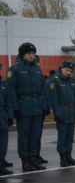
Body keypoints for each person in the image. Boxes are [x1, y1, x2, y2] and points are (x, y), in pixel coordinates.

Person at [6, 42, 49, 171]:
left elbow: (43, 90)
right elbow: (11, 90)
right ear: (22, 55)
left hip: (36, 105)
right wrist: (15, 108)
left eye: (33, 54)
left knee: (35, 134)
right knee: (24, 135)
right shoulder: (15, 70)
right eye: (29, 54)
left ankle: (33, 157)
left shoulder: (37, 69)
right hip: (23, 104)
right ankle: (25, 160)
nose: (31, 56)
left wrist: (45, 106)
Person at [48, 61, 75, 167]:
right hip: (62, 111)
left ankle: (69, 155)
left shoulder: (73, 81)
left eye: (70, 71)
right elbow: (54, 100)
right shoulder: (55, 81)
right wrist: (58, 114)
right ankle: (63, 157)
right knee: (62, 136)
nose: (68, 73)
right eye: (67, 70)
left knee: (70, 136)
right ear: (61, 68)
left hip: (71, 111)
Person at [0, 63, 14, 175]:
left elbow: (7, 99)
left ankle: (1, 161)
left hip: (2, 114)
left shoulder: (1, 81)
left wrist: (10, 115)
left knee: (3, 141)